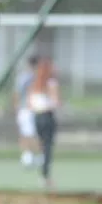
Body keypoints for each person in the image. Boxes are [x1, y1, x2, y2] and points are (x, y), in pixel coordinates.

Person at [25, 57, 60, 191]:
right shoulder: (51, 83)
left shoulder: (34, 84)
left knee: (42, 145)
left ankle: (43, 172)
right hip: (47, 115)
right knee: (48, 146)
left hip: (37, 117)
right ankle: (45, 176)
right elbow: (56, 101)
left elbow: (29, 104)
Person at [12, 55, 41, 167]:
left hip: (34, 109)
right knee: (27, 132)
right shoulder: (25, 77)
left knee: (31, 133)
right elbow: (17, 93)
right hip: (26, 109)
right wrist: (17, 107)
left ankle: (33, 155)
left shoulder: (38, 77)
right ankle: (27, 156)